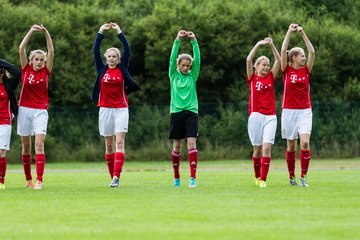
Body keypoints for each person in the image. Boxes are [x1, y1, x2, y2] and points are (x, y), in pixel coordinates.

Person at [92, 22, 140, 188]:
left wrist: (119, 31)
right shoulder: (101, 69)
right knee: (109, 145)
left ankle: (116, 178)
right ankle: (112, 175)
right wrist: (101, 32)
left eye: (114, 56)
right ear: (106, 57)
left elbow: (128, 48)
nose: (112, 58)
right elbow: (95, 50)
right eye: (109, 56)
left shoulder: (122, 68)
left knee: (120, 143)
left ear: (118, 59)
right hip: (105, 109)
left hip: (121, 109)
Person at [18, 24, 54, 190]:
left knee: (39, 144)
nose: (39, 62)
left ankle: (39, 180)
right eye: (36, 59)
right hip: (24, 109)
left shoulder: (46, 72)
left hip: (41, 111)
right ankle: (28, 179)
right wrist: (31, 31)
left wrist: (46, 33)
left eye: (42, 59)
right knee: (26, 146)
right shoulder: (25, 69)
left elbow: (51, 51)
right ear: (31, 60)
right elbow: (21, 48)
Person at [280, 23, 315, 187]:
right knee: (291, 145)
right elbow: (283, 50)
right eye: (301, 55)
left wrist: (303, 34)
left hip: (305, 111)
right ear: (293, 58)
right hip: (288, 111)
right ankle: (291, 176)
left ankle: (303, 176)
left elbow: (312, 51)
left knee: (305, 142)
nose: (304, 57)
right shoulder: (286, 70)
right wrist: (289, 31)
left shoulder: (306, 70)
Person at [246, 37, 281, 188]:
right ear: (257, 66)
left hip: (270, 117)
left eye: (268, 65)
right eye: (264, 65)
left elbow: (279, 60)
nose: (266, 67)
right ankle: (257, 175)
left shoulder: (271, 78)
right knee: (257, 150)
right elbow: (248, 59)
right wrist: (258, 44)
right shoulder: (252, 78)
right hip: (255, 117)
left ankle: (263, 180)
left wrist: (272, 45)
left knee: (267, 148)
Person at [168, 30, 200, 188]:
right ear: (178, 65)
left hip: (191, 113)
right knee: (177, 146)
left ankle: (193, 178)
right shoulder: (173, 75)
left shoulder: (193, 76)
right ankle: (176, 177)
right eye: (183, 65)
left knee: (192, 145)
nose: (186, 68)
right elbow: (172, 57)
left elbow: (198, 60)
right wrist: (177, 40)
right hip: (176, 113)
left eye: (188, 66)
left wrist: (194, 42)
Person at [0, 59, 21, 190]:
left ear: (2, 72)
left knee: (2, 152)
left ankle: (1, 181)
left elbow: (17, 72)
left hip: (5, 122)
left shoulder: (8, 85)